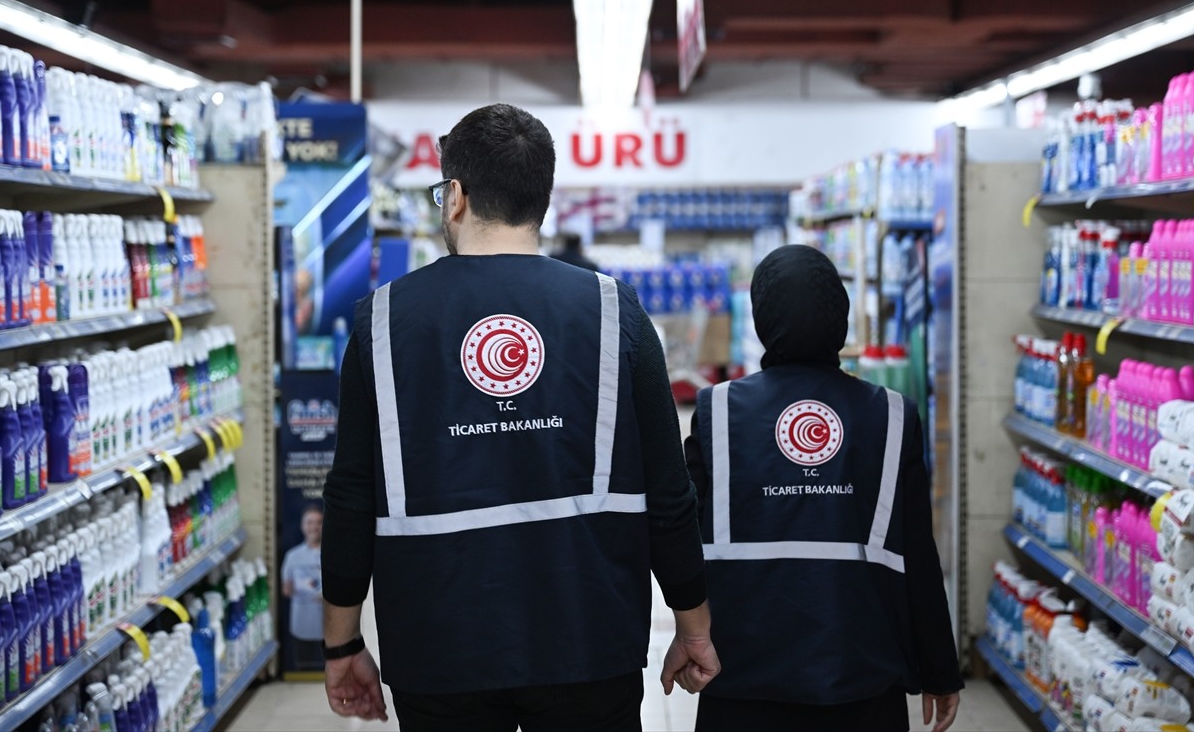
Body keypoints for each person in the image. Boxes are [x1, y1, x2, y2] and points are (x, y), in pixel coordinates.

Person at [320, 103, 720, 731]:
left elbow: (349, 496)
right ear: (543, 199)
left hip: (437, 645)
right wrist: (693, 625)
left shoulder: (382, 322)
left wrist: (341, 643)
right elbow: (669, 493)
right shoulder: (617, 313)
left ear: (455, 196)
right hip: (589, 639)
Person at [684, 244, 962, 732]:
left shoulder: (719, 413)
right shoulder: (890, 415)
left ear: (761, 316)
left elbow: (678, 537)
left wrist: (688, 632)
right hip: (862, 678)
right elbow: (917, 551)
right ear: (842, 315)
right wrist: (939, 666)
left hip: (744, 678)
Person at [280, 505, 325, 670]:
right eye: (310, 522)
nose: (314, 527)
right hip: (301, 624)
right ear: (302, 526)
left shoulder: (333, 554)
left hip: (328, 626)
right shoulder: (292, 556)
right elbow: (286, 589)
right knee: (304, 666)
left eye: (319, 522)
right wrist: (289, 588)